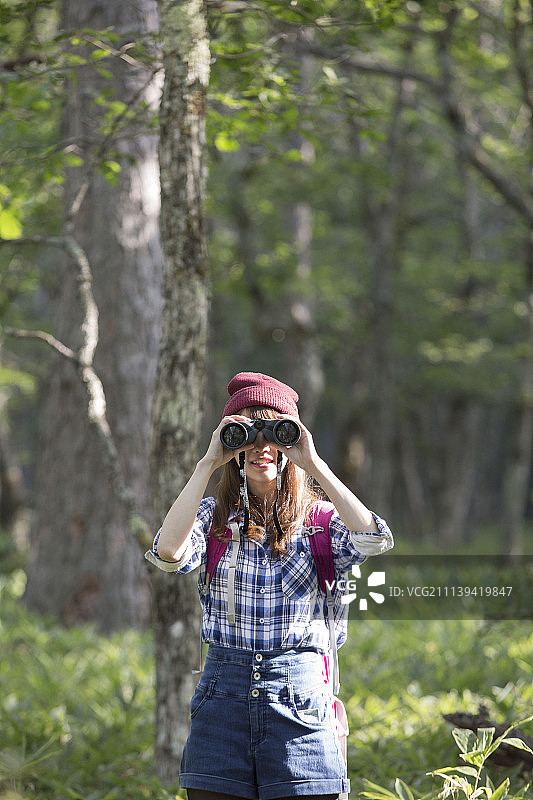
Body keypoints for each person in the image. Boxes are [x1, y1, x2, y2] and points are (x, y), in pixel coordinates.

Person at [146, 371, 394, 800]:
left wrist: (312, 461)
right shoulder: (211, 518)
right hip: (222, 698)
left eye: (275, 432)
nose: (262, 446)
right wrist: (208, 462)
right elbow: (169, 552)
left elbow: (374, 538)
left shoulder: (319, 522)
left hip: (299, 698)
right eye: (246, 433)